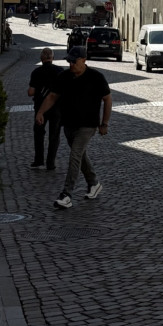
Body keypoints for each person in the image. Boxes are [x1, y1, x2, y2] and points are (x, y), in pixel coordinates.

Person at [35, 46, 111, 209]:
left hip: (88, 125)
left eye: (74, 61)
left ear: (83, 60)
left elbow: (107, 99)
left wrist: (104, 123)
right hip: (69, 124)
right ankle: (94, 183)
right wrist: (41, 112)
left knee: (75, 155)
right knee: (80, 156)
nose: (71, 64)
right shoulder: (64, 77)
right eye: (69, 61)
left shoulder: (96, 77)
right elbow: (52, 96)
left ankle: (66, 194)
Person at [28, 48, 63, 170]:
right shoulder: (60, 71)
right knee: (54, 135)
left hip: (40, 109)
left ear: (41, 58)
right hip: (56, 108)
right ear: (52, 58)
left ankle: (38, 160)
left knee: (39, 133)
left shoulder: (36, 72)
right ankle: (50, 162)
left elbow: (31, 92)